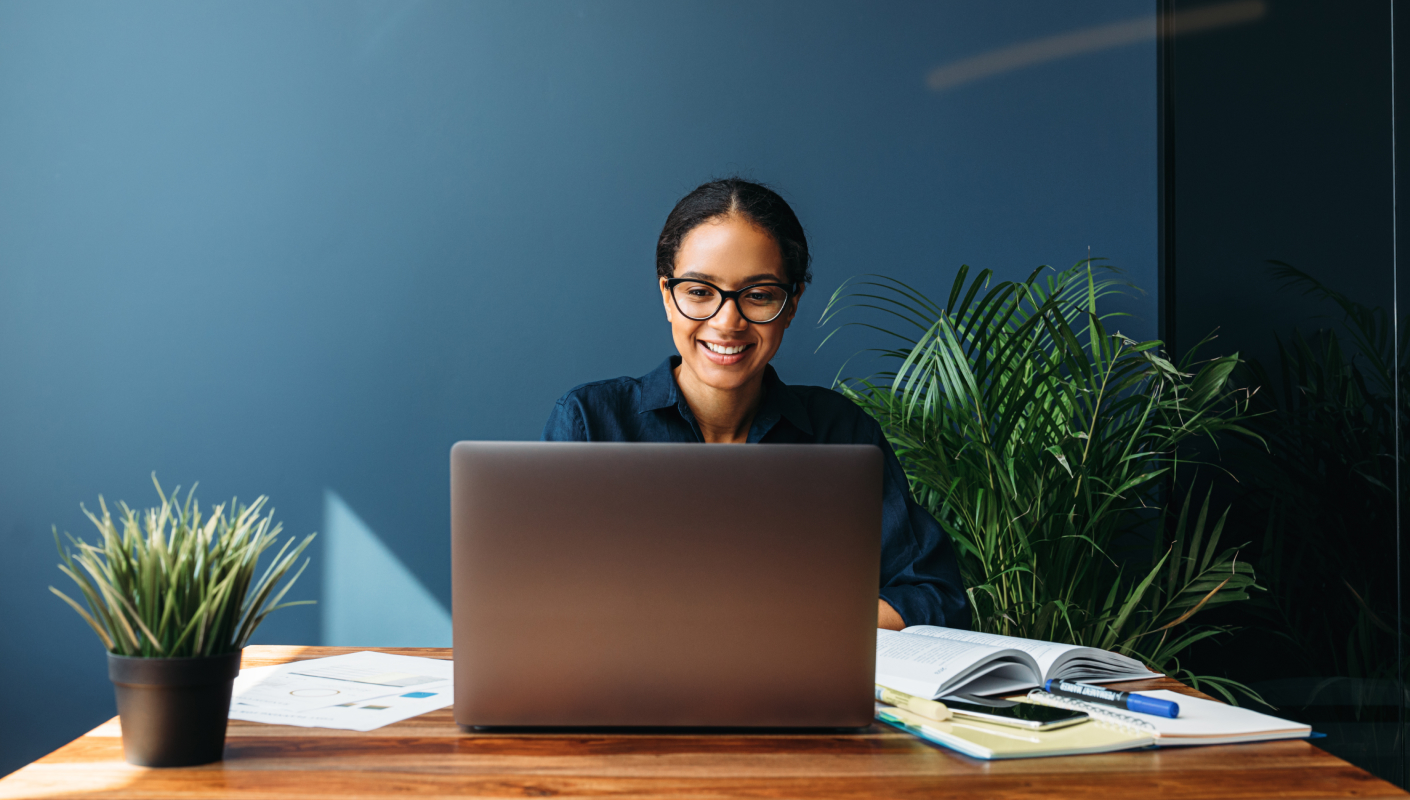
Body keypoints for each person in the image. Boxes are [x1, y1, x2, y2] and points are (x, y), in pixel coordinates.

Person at [542, 177, 969, 631]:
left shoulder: (841, 434)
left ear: (792, 303)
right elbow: (540, 601)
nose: (728, 321)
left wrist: (784, 625)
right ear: (668, 295)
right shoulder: (591, 422)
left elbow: (935, 596)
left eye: (759, 295)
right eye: (700, 292)